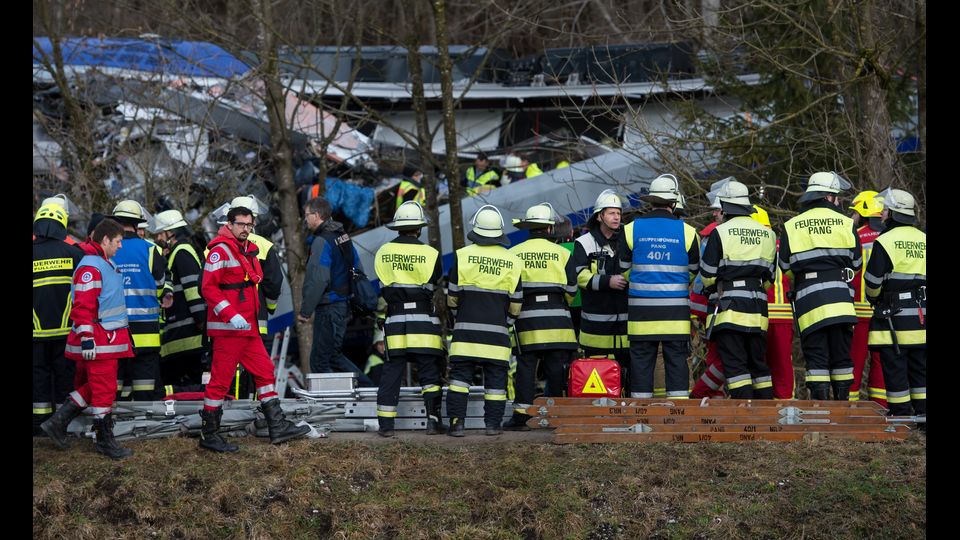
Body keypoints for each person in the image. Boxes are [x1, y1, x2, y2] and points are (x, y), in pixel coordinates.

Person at [199, 206, 309, 452]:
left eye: (250, 225)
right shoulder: (219, 251)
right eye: (241, 224)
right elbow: (209, 288)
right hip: (229, 330)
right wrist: (231, 314)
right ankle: (209, 434)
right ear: (229, 224)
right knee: (220, 381)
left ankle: (277, 425)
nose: (246, 229)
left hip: (246, 329)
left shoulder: (246, 250)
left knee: (265, 370)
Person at [41, 218, 136, 459]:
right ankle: (104, 441)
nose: (120, 246)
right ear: (105, 240)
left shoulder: (100, 263)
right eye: (118, 241)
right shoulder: (91, 267)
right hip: (99, 341)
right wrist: (87, 338)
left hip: (105, 339)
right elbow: (83, 306)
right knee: (103, 390)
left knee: (94, 387)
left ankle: (58, 422)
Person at [779, 172, 861, 400]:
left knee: (816, 357)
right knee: (842, 356)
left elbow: (784, 266)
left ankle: (821, 410)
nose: (839, 201)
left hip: (809, 301)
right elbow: (856, 263)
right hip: (841, 300)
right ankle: (842, 410)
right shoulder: (846, 223)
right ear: (828, 196)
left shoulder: (792, 225)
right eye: (836, 196)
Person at [620, 175, 699, 399]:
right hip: (675, 313)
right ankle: (679, 416)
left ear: (650, 201)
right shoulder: (688, 232)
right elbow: (693, 270)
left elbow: (623, 269)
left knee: (642, 364)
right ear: (673, 203)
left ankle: (640, 418)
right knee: (676, 362)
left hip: (641, 313)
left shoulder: (630, 230)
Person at [446, 205, 523, 436]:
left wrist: (460, 318)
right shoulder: (512, 260)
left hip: (465, 334)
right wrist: (506, 323)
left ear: (476, 229)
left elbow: (451, 298)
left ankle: (457, 425)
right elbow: (517, 303)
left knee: (459, 380)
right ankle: (492, 426)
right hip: (497, 335)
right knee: (496, 384)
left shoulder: (462, 256)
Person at [503, 203, 579, 430]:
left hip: (527, 321)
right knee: (556, 369)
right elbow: (572, 292)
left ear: (529, 229)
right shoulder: (564, 253)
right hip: (559, 322)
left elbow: (510, 291)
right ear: (548, 229)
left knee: (526, 367)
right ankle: (551, 414)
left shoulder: (513, 254)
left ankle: (522, 416)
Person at [372, 201, 446, 437]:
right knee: (429, 373)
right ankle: (433, 422)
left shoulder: (383, 252)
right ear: (419, 228)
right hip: (423, 320)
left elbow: (382, 286)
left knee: (391, 372)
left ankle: (386, 426)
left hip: (395, 321)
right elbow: (434, 284)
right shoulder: (431, 254)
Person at [698, 180, 777, 399]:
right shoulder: (768, 234)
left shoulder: (720, 233)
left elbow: (706, 276)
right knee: (759, 367)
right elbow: (770, 278)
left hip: (729, 309)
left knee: (736, 367)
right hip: (758, 310)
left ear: (724, 207)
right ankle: (765, 415)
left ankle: (747, 417)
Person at [297, 197, 374, 385]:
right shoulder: (342, 236)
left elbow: (318, 279)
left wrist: (305, 311)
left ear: (316, 215)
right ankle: (369, 388)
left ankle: (332, 407)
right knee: (333, 356)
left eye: (307, 215)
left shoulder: (321, 241)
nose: (305, 219)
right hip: (342, 305)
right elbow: (357, 267)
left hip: (329, 307)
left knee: (319, 361)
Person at [865, 188, 925, 418]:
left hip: (895, 319)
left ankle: (900, 415)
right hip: (923, 320)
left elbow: (872, 281)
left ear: (892, 214)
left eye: (885, 210)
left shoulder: (885, 241)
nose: (881, 213)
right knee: (920, 369)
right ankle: (923, 415)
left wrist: (875, 298)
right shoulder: (924, 239)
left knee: (895, 367)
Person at [568, 189, 630, 389]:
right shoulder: (583, 243)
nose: (616, 217)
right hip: (595, 330)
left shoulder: (627, 240)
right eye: (611, 213)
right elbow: (579, 277)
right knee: (597, 384)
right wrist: (607, 282)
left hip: (626, 332)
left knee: (628, 381)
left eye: (618, 213)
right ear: (599, 216)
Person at [33, 201, 84, 435]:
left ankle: (38, 427)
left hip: (35, 334)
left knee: (38, 379)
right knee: (65, 378)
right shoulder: (74, 252)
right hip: (67, 332)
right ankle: (64, 424)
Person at [110, 200, 170, 401]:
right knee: (144, 378)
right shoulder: (151, 249)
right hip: (146, 328)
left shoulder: (108, 249)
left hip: (114, 326)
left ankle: (115, 420)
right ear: (137, 224)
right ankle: (144, 419)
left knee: (115, 377)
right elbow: (161, 284)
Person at [153, 210, 207, 387]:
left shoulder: (183, 251)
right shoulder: (175, 253)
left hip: (188, 339)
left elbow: (193, 290)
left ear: (170, 233)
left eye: (160, 233)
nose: (158, 238)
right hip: (178, 340)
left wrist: (202, 323)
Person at [847, 191, 888, 406]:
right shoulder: (890, 237)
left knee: (854, 360)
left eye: (854, 211)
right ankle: (880, 409)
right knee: (881, 362)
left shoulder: (853, 236)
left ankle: (849, 409)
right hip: (885, 311)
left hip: (858, 309)